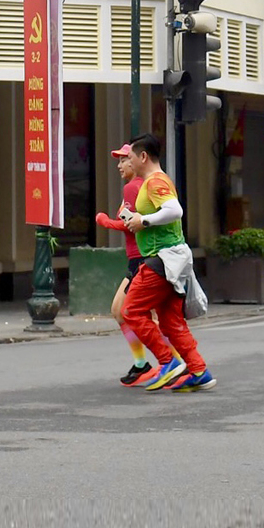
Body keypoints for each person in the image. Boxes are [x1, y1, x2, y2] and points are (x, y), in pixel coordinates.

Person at [121, 133, 215, 392]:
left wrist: (143, 220)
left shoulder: (154, 181)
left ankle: (168, 362)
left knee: (131, 311)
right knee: (171, 322)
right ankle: (198, 371)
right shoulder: (155, 181)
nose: (128, 162)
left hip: (162, 259)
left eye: (130, 157)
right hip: (170, 260)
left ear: (143, 156)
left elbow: (175, 210)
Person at [94, 143, 179, 388]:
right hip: (143, 258)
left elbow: (132, 224)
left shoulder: (134, 187)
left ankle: (172, 361)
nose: (121, 165)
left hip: (142, 259)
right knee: (129, 312)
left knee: (127, 311)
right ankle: (150, 362)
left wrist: (105, 221)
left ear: (138, 159)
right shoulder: (140, 186)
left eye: (125, 160)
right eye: (120, 161)